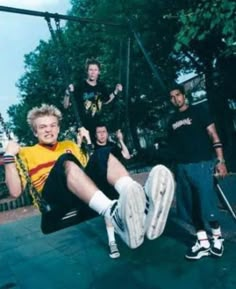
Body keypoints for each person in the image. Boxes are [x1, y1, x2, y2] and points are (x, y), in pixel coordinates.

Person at [3, 104, 175, 254]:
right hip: (55, 201)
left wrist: (89, 143)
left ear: (58, 128)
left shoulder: (70, 145)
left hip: (80, 193)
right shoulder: (26, 152)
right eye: (42, 127)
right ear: (35, 131)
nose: (49, 130)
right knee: (66, 161)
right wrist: (9, 156)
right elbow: (15, 192)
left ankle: (142, 205)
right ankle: (113, 213)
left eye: (53, 125)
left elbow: (90, 171)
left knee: (102, 153)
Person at [168, 84, 227, 260]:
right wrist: (174, 171)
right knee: (192, 207)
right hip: (182, 168)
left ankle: (217, 238)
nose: (175, 99)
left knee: (207, 205)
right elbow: (173, 149)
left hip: (201, 165)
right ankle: (203, 242)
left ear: (184, 95)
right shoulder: (171, 121)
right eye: (171, 97)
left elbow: (213, 135)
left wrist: (221, 161)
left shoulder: (199, 111)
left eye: (178, 95)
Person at [92, 124, 130, 258]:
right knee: (108, 212)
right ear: (95, 135)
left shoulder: (113, 146)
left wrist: (121, 140)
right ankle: (112, 243)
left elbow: (126, 156)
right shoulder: (92, 148)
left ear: (107, 133)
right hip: (102, 184)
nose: (102, 134)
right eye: (99, 132)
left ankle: (127, 231)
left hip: (115, 182)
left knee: (122, 208)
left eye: (104, 132)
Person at [63, 58, 122, 134]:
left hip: (98, 128)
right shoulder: (80, 86)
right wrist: (67, 94)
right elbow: (65, 106)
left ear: (99, 72)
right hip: (82, 127)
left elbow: (106, 100)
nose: (93, 72)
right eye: (90, 70)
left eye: (95, 70)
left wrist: (116, 91)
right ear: (87, 71)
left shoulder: (101, 86)